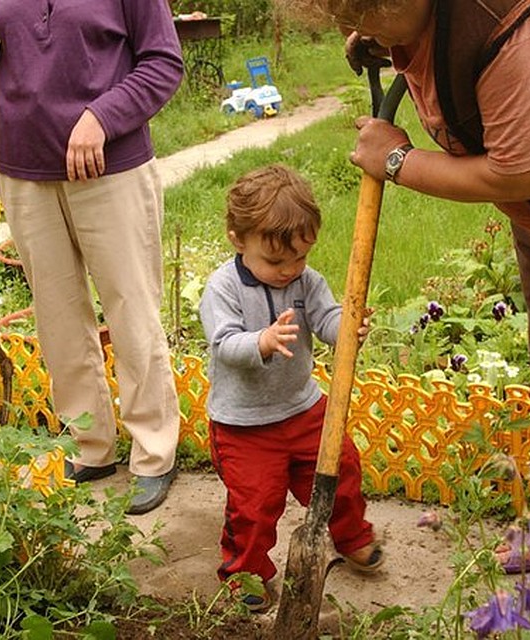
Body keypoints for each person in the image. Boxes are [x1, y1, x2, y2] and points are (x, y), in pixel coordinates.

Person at [281, 0, 530, 575]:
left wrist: (396, 159)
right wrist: (392, 40)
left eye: (362, 13)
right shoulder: (425, 14)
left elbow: (521, 171)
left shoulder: (519, 26)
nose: (351, 30)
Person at [0, 0, 183, 513]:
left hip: (111, 168)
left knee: (132, 310)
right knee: (59, 316)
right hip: (23, 169)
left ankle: (154, 453)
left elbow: (163, 62)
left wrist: (101, 117)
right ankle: (90, 444)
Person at [199, 164, 384, 612]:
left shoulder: (306, 281)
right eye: (276, 261)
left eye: (299, 258)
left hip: (303, 408)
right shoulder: (222, 288)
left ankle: (352, 536)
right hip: (245, 425)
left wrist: (347, 327)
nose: (289, 270)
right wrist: (260, 341)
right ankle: (246, 571)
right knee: (254, 507)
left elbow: (324, 319)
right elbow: (224, 344)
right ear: (238, 240)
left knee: (341, 469)